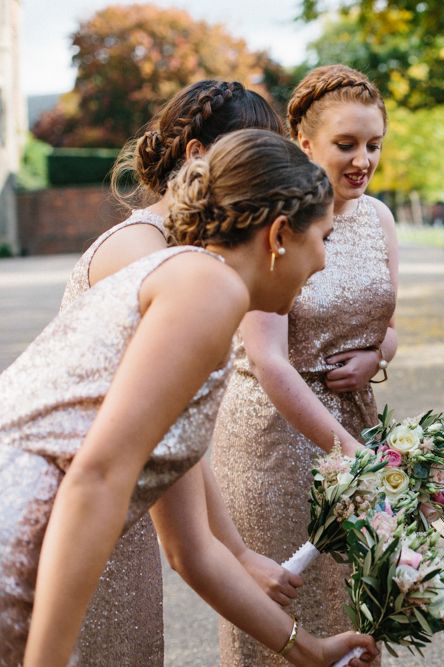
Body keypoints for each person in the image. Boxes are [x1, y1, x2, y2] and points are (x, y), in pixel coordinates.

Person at [0, 129, 378, 667]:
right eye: (324, 238)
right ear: (277, 236)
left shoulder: (196, 288)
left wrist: (310, 650)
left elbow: (193, 552)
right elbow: (98, 476)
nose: (322, 263)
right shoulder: (209, 288)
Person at [60, 79, 300, 666]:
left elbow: (178, 449)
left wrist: (238, 550)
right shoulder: (147, 259)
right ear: (196, 155)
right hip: (79, 530)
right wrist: (239, 564)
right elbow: (185, 545)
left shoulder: (173, 255)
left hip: (116, 527)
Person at [211, 64, 398, 666]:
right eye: (346, 145)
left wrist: (376, 356)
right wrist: (348, 450)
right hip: (274, 435)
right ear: (306, 144)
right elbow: (267, 359)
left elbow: (386, 323)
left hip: (353, 422)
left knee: (357, 602)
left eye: (373, 144)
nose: (362, 160)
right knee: (281, 610)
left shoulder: (380, 218)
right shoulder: (273, 217)